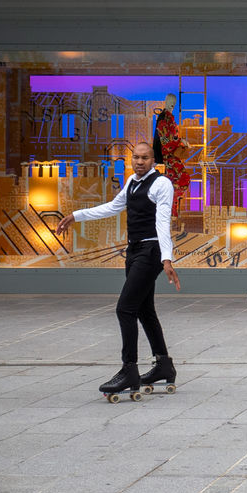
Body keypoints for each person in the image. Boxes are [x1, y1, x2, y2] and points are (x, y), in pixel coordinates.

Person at [57, 141, 181, 399]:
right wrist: (77, 215)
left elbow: (163, 221)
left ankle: (129, 370)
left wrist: (167, 259)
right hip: (134, 250)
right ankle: (163, 365)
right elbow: (112, 207)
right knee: (144, 310)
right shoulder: (132, 182)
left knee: (125, 308)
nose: (139, 162)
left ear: (153, 161)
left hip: (151, 251)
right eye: (136, 157)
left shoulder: (161, 184)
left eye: (145, 158)